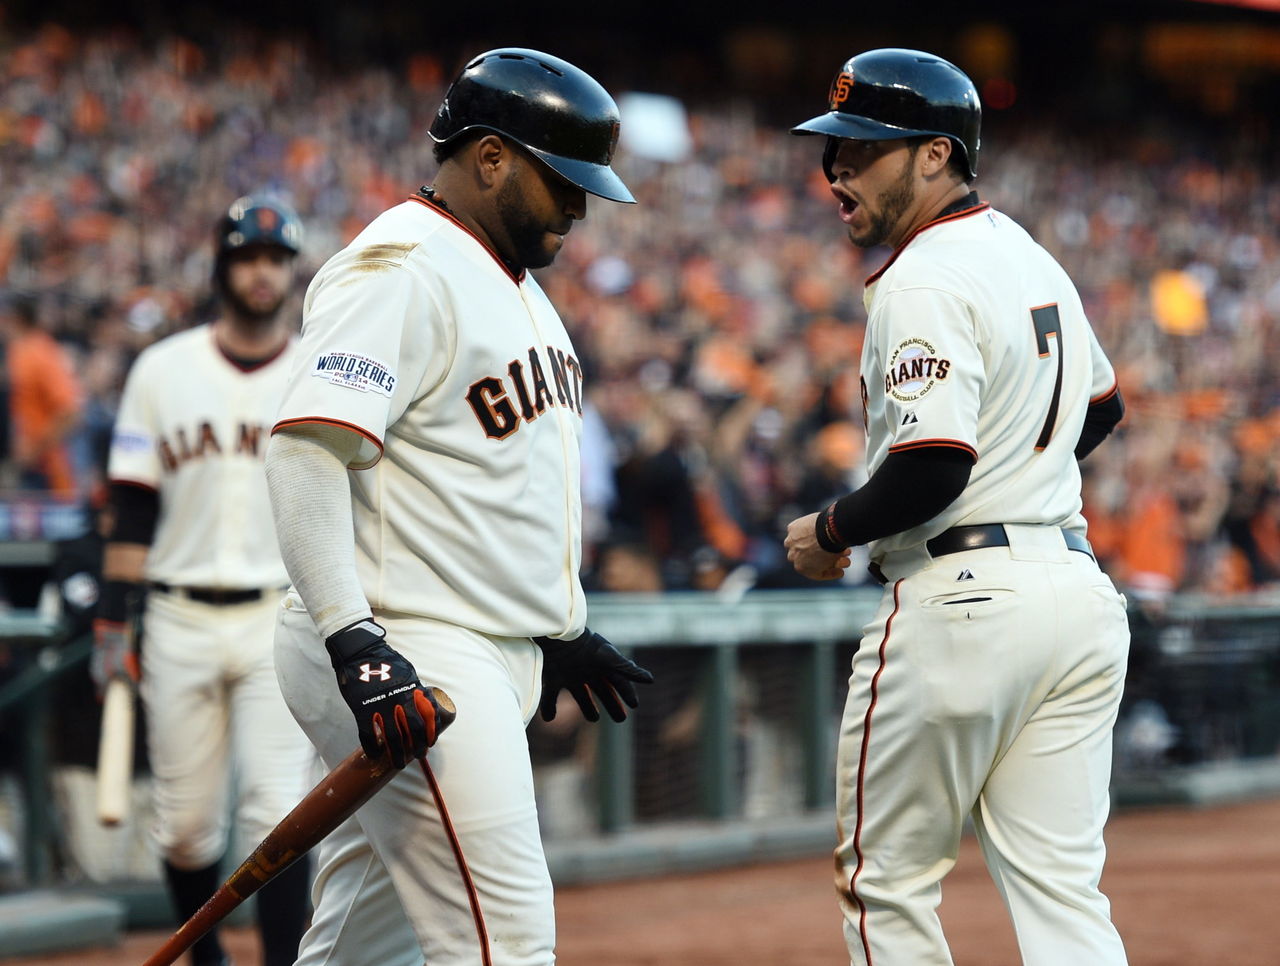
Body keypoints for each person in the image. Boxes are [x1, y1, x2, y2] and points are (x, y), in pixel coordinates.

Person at [264, 48, 653, 966]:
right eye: (562, 182)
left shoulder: (513, 284)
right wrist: (352, 639)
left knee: (362, 947)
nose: (579, 208)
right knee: (505, 943)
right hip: (410, 643)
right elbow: (305, 449)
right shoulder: (400, 264)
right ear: (490, 159)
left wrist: (552, 627)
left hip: (468, 639)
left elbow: (483, 486)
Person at [782, 49, 1130, 965]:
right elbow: (1103, 408)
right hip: (1075, 597)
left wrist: (830, 531)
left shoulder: (924, 276)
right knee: (1065, 896)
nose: (836, 170)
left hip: (962, 602)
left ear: (936, 154)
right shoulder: (1030, 255)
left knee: (886, 884)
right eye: (833, 151)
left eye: (863, 149)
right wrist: (1020, 469)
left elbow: (932, 465)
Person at [92, 196, 314, 966]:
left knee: (277, 814)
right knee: (185, 826)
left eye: (276, 259)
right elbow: (130, 503)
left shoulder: (317, 371)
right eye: (248, 257)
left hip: (277, 618)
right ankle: (209, 961)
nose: (263, 272)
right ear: (222, 268)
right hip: (179, 613)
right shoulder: (162, 369)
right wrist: (113, 625)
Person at [1, 293, 83, 496]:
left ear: (15, 318)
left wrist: (36, 449)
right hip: (22, 468)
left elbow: (70, 412)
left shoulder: (41, 352)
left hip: (43, 474)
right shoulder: (16, 350)